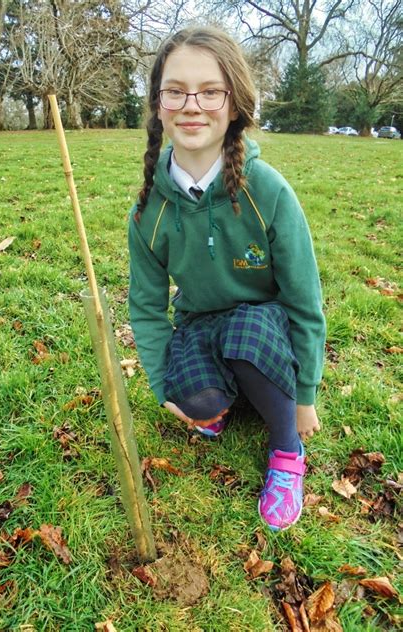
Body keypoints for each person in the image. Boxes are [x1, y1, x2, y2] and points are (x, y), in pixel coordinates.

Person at [128, 26, 326, 531]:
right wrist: (162, 387)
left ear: (233, 104)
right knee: (197, 399)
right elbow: (148, 308)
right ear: (158, 103)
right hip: (200, 323)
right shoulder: (148, 209)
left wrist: (304, 397)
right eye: (175, 90)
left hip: (265, 322)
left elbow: (305, 301)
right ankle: (225, 396)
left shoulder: (268, 190)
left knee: (245, 338)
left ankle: (286, 452)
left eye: (209, 91)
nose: (191, 105)